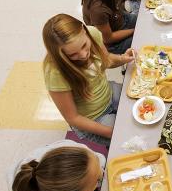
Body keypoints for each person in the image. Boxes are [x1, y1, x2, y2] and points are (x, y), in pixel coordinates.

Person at [42, 14, 134, 146]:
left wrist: (122, 58)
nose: (84, 54)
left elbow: (106, 59)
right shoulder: (55, 73)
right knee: (125, 140)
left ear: (83, 30)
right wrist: (111, 133)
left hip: (108, 92)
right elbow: (73, 118)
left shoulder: (93, 33)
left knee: (141, 101)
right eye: (72, 55)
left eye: (85, 45)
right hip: (93, 118)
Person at [82, 0, 146, 55]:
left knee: (146, 21)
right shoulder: (98, 9)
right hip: (113, 43)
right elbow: (108, 39)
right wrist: (135, 30)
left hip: (119, 19)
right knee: (144, 39)